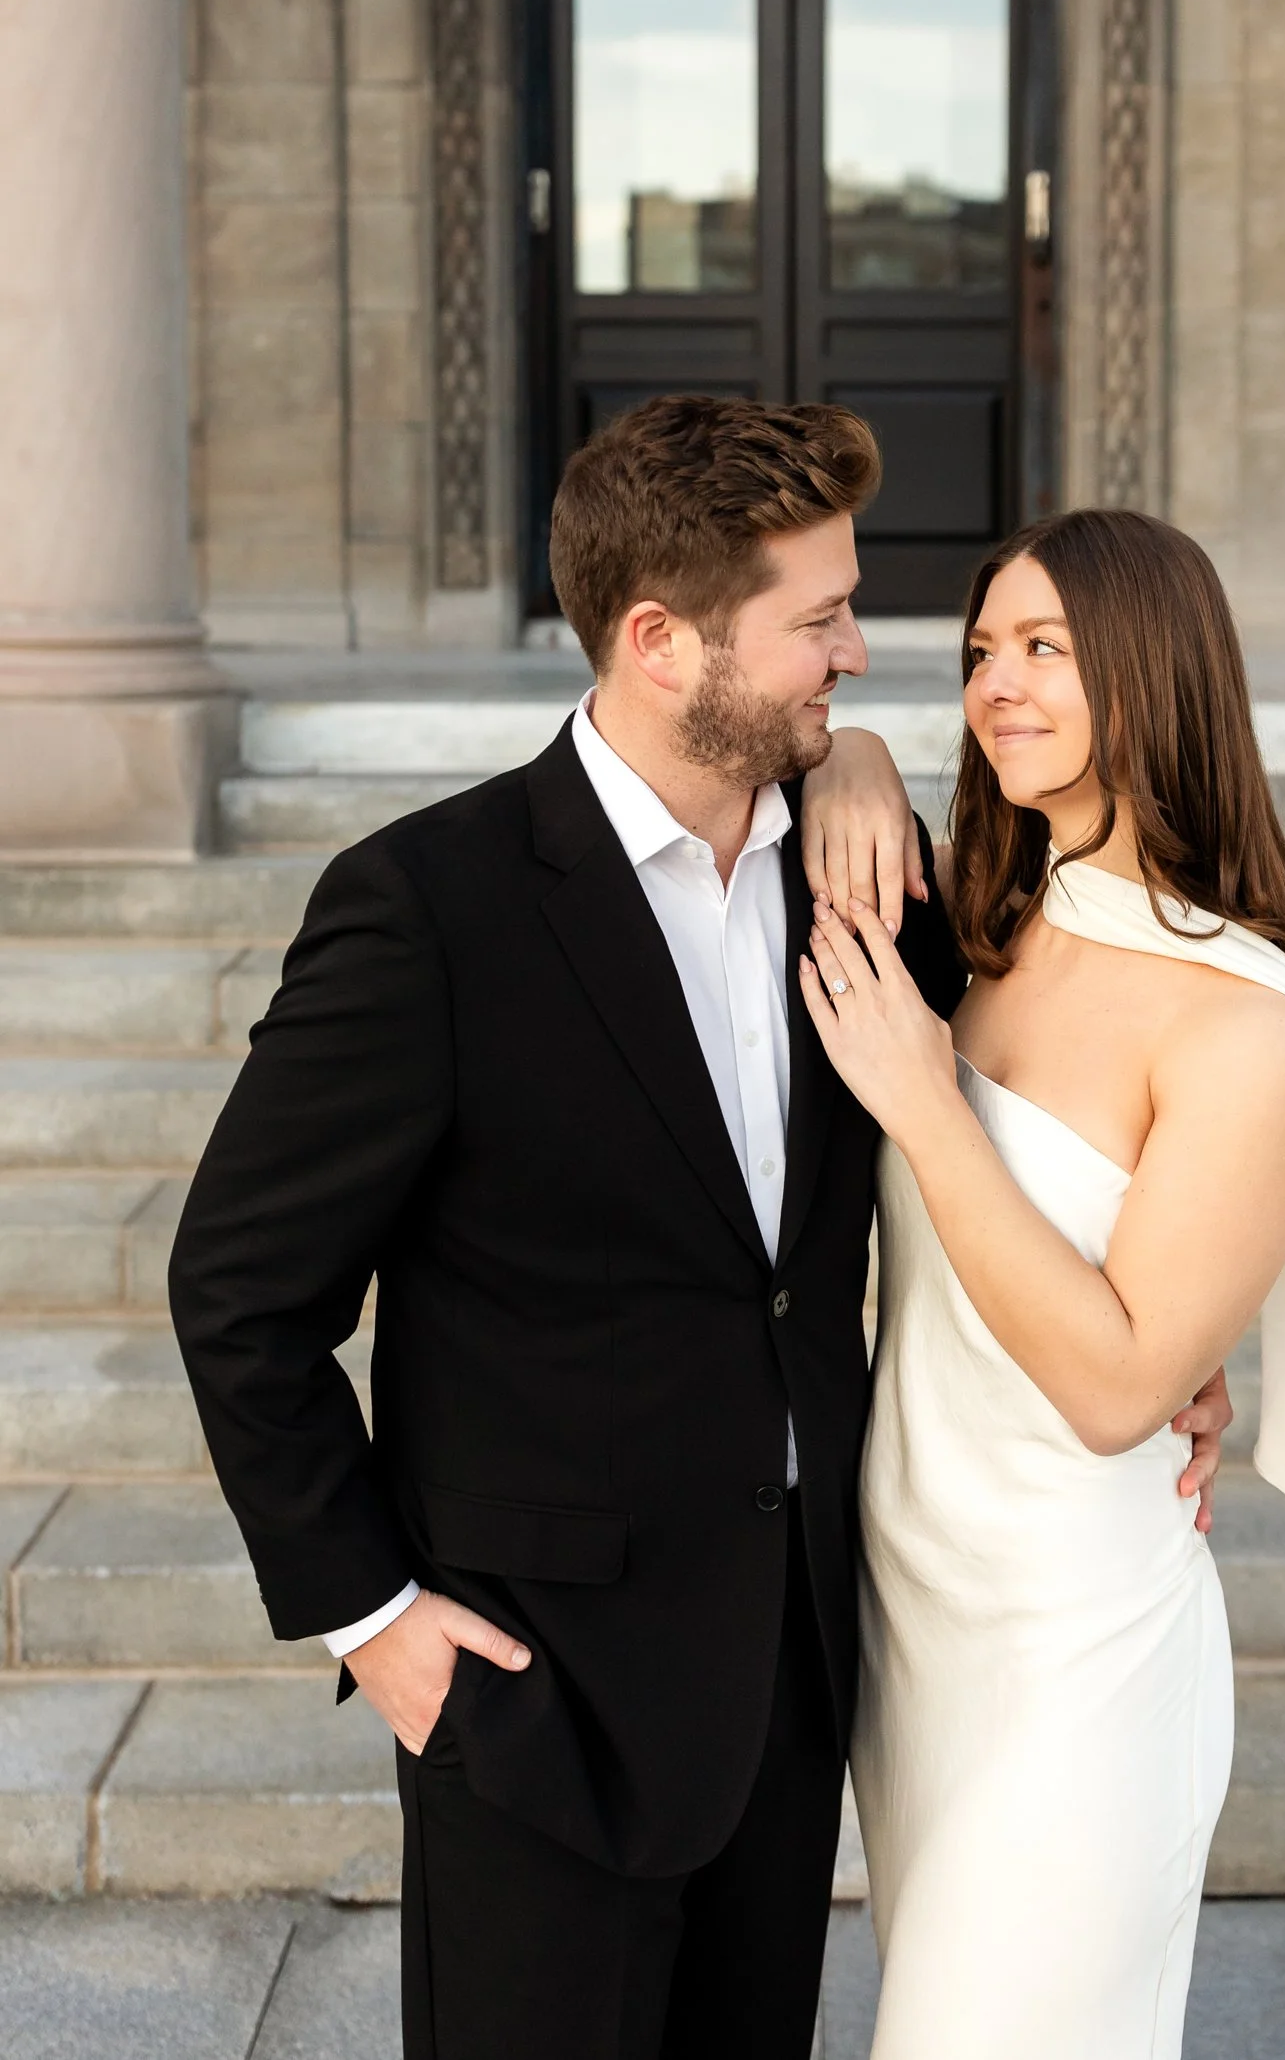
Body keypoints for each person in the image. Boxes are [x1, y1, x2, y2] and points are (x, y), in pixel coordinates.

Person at [168, 398, 1231, 2060]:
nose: (858, 659)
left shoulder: (861, 877)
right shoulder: (427, 907)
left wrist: (1175, 1328)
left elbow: (1040, 1136)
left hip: (792, 1672)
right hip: (533, 1695)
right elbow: (238, 1290)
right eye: (817, 622)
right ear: (660, 643)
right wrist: (372, 1621)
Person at [798, 509, 1285, 2060]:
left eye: (1046, 649)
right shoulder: (997, 932)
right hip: (919, 1617)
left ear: (1153, 670)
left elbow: (1123, 1388)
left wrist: (924, 1104)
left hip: (1076, 1649)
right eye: (983, 652)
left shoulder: (1242, 1025)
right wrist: (845, 759)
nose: (998, 684)